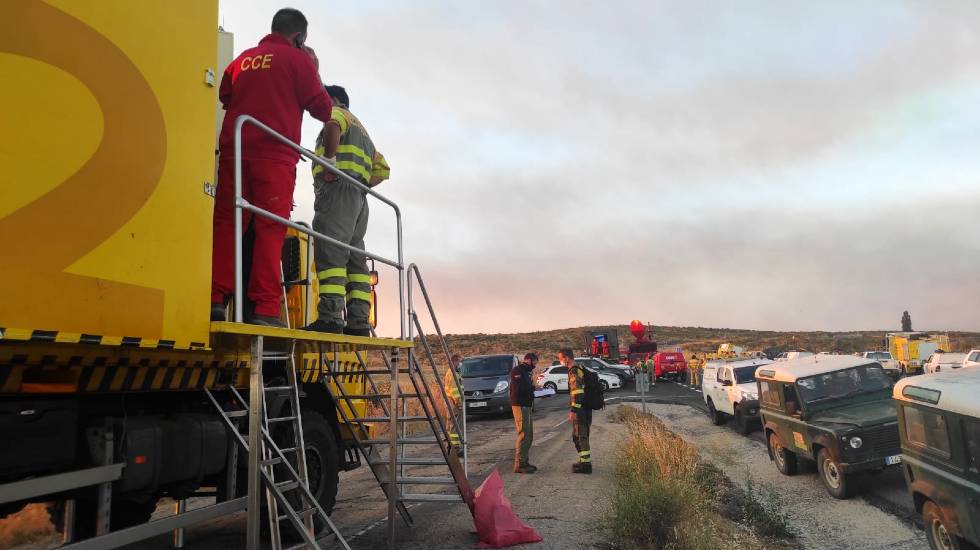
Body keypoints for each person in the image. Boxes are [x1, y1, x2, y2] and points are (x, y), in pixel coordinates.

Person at [210, 8, 332, 326]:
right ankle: (264, 308)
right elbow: (323, 108)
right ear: (299, 37)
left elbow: (226, 96)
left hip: (234, 151)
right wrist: (313, 68)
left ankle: (216, 299)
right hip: (274, 155)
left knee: (227, 224)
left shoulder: (241, 61)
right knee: (270, 228)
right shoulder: (299, 62)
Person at [302, 85, 390, 335]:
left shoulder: (336, 112)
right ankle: (359, 322)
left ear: (335, 99)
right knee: (354, 257)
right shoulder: (363, 131)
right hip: (358, 198)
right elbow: (383, 169)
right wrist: (360, 184)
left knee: (330, 251)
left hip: (337, 192)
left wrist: (329, 164)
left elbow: (332, 126)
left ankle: (330, 317)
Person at [559, 348, 592, 474]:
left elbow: (577, 392)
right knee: (579, 436)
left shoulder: (573, 371)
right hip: (585, 408)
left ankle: (585, 465)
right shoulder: (579, 368)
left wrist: (574, 410)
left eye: (561, 358)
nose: (560, 361)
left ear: (567, 358)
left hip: (581, 409)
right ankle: (584, 461)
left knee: (580, 436)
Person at [510, 353, 537, 473]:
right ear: (529, 360)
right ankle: (519, 464)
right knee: (523, 434)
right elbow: (519, 389)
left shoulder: (526, 372)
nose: (535, 365)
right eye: (535, 362)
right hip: (520, 405)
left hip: (526, 405)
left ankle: (524, 461)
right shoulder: (518, 371)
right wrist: (532, 388)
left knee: (529, 434)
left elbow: (526, 387)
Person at [443, 354, 463, 451]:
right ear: (454, 361)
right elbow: (454, 390)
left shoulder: (453, 372)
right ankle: (455, 447)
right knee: (455, 425)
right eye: (459, 361)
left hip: (450, 402)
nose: (460, 364)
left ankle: (450, 445)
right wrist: (459, 403)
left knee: (451, 425)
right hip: (454, 403)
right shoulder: (452, 373)